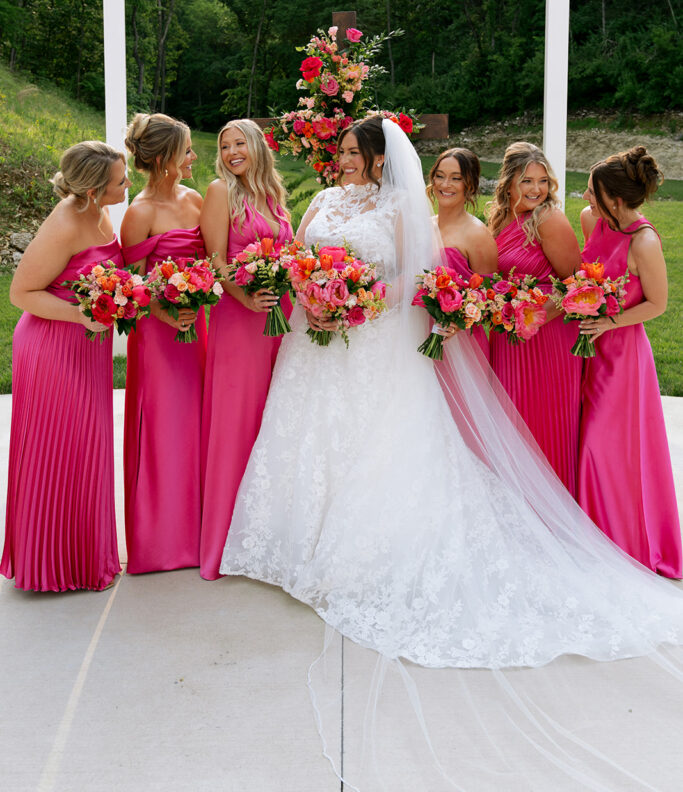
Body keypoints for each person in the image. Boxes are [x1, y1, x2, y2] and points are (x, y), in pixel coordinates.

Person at [219, 116, 683, 791]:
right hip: (311, 344)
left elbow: (414, 279)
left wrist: (353, 304)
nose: (343, 161)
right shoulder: (319, 200)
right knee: (306, 439)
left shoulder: (401, 208)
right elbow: (296, 255)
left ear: (380, 162)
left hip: (374, 341)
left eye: (354, 153)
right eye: (341, 151)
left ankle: (361, 544)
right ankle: (294, 536)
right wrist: (310, 297)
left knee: (378, 446)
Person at [1, 141, 129, 592]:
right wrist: (80, 315)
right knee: (57, 452)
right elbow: (22, 294)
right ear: (94, 189)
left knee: (87, 449)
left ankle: (83, 557)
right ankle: (50, 565)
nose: (127, 182)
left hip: (87, 348)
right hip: (52, 347)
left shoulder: (102, 213)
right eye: (119, 179)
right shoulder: (64, 223)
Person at [577, 147, 682, 577]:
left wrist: (608, 320)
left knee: (599, 448)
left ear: (615, 199)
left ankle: (619, 542)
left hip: (622, 358)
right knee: (585, 440)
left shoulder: (645, 241)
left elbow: (658, 304)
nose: (585, 194)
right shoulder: (591, 220)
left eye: (593, 189)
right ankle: (587, 535)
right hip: (586, 349)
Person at [199, 119, 293, 581]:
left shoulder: (273, 195)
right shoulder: (221, 192)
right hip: (240, 320)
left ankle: (266, 537)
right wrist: (245, 297)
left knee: (274, 423)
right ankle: (223, 543)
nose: (233, 151)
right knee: (239, 423)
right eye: (225, 145)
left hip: (281, 319)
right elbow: (214, 259)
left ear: (257, 147)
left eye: (240, 143)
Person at [121, 113, 205, 574]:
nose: (194, 157)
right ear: (166, 159)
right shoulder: (139, 212)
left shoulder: (195, 199)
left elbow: (213, 259)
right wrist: (162, 309)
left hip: (198, 329)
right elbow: (128, 283)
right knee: (165, 428)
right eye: (188, 150)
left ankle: (198, 534)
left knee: (196, 424)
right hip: (158, 333)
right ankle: (160, 543)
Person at [487, 142, 582, 495]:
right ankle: (514, 503)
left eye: (543, 181)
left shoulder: (549, 219)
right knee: (509, 420)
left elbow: (576, 283)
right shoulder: (499, 219)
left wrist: (535, 314)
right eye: (527, 180)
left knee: (544, 422)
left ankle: (551, 503)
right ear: (509, 182)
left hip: (547, 339)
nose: (536, 189)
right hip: (508, 336)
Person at [427, 147, 498, 358]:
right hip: (416, 332)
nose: (445, 184)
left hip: (458, 344)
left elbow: (489, 297)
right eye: (440, 176)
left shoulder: (477, 234)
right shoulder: (423, 227)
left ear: (470, 185)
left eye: (455, 178)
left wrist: (459, 322)